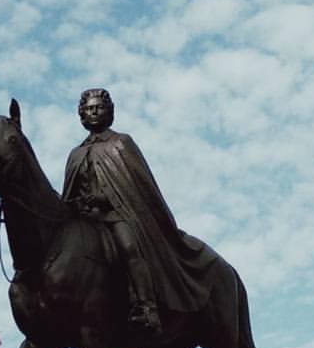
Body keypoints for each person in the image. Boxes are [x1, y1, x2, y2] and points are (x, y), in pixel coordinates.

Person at [62, 88, 216, 335]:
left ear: (109, 111)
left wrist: (102, 197)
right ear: (81, 115)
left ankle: (147, 306)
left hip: (117, 214)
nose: (94, 112)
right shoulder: (76, 154)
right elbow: (69, 193)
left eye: (99, 107)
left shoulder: (121, 143)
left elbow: (137, 187)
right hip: (85, 221)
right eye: (89, 109)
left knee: (129, 247)